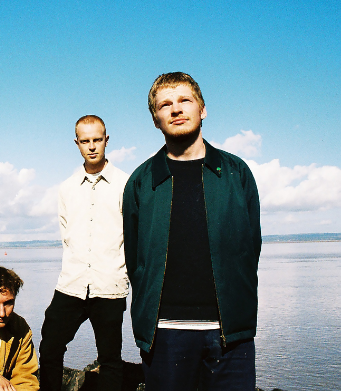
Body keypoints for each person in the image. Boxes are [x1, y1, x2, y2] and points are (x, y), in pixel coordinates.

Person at [123, 72, 262, 390]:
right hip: (165, 335)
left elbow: (250, 245)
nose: (176, 109)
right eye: (165, 105)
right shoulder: (142, 181)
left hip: (231, 335)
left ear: (203, 109)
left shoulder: (236, 172)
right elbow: (135, 259)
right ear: (156, 120)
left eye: (185, 100)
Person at [39, 115, 129, 391]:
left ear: (106, 140)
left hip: (109, 285)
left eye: (97, 140)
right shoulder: (67, 188)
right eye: (85, 141)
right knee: (50, 347)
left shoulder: (126, 184)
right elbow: (67, 235)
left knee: (110, 358)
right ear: (76, 143)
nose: (92, 146)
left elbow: (132, 235)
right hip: (72, 283)